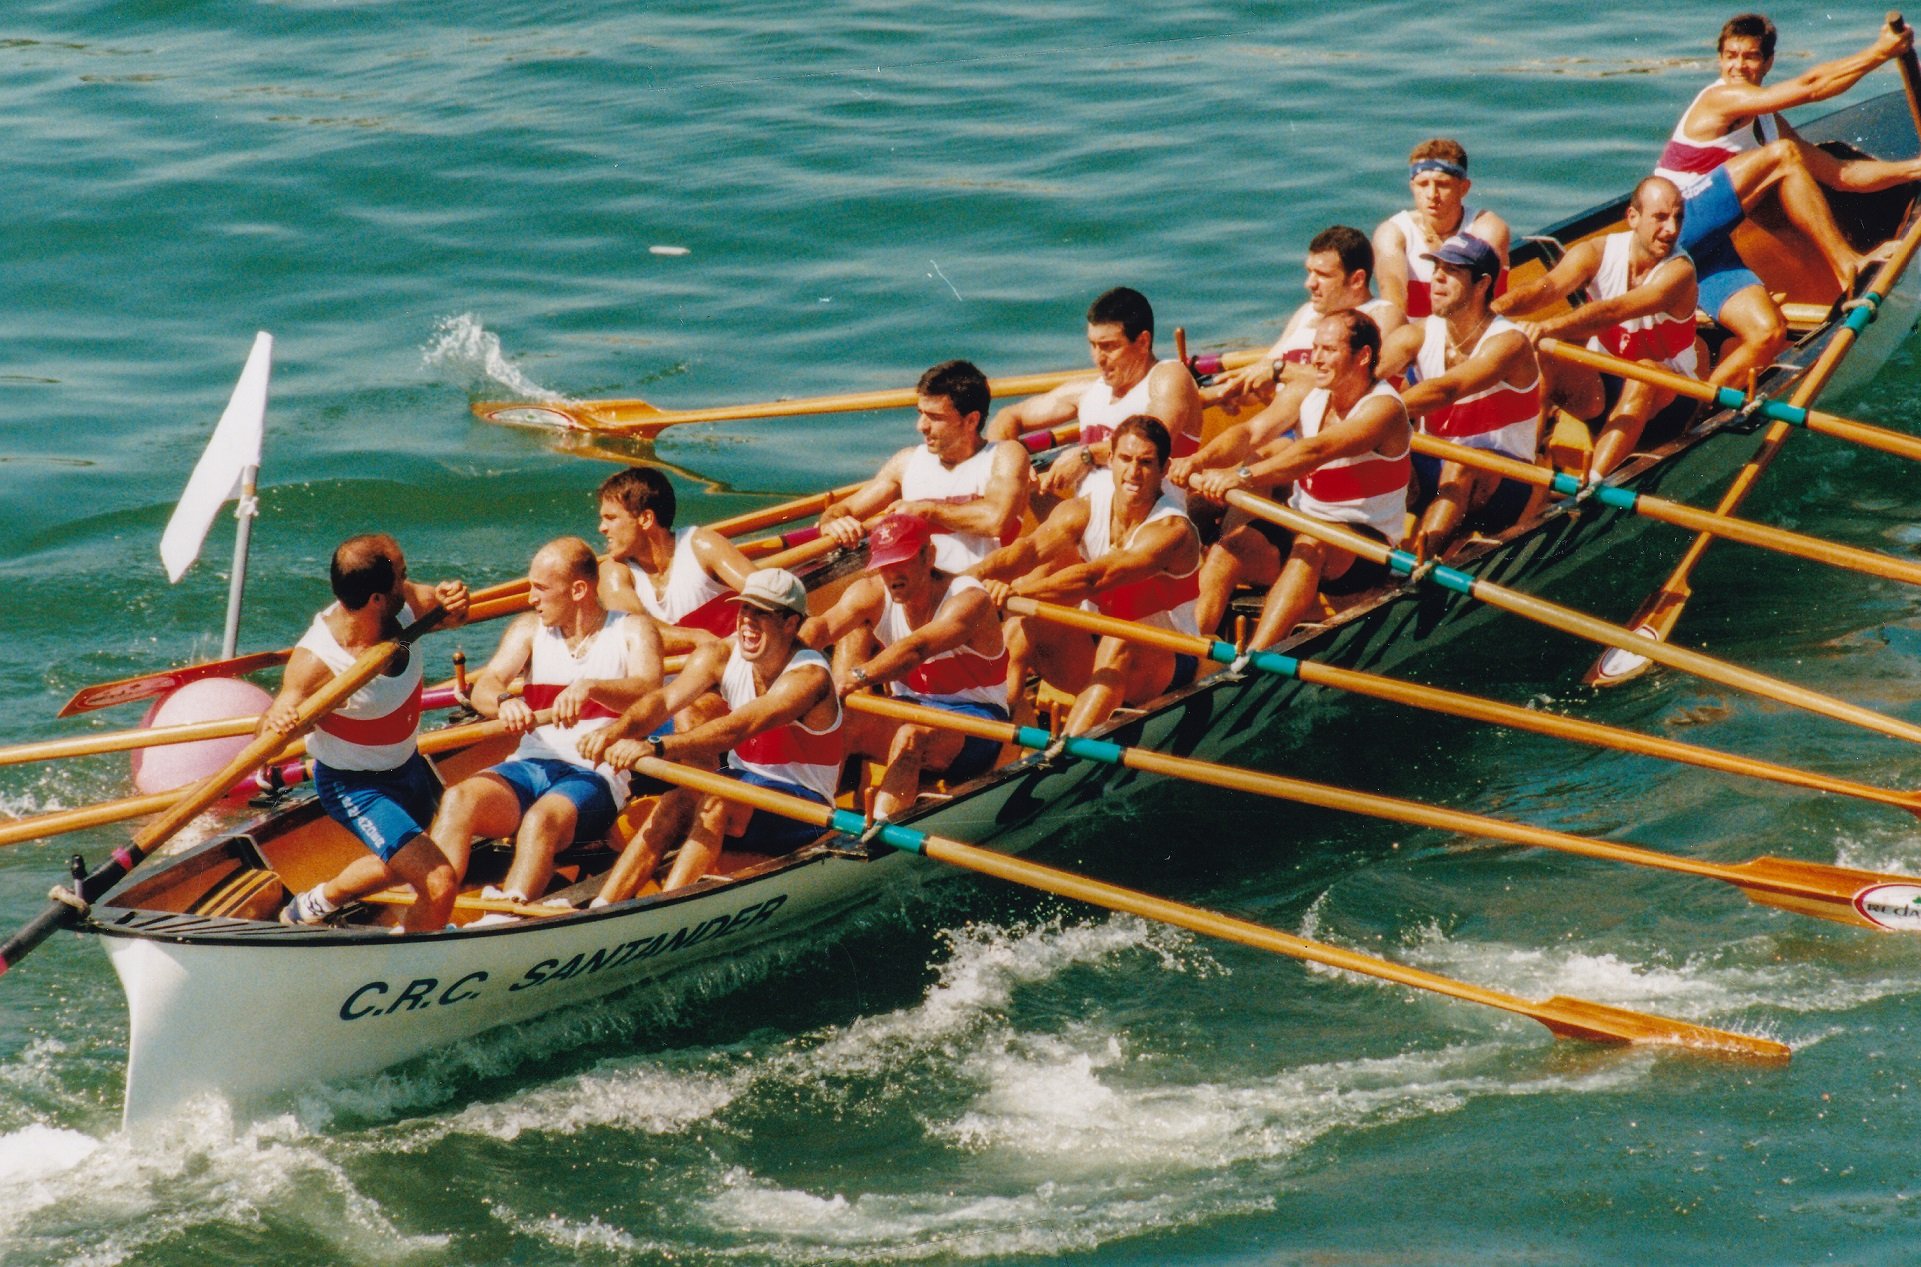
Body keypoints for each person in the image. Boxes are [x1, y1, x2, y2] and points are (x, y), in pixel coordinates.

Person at [1655, 13, 1921, 388]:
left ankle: (1700, 406)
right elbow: (1812, 86)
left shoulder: (1767, 121)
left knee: (1768, 331)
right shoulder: (1721, 98)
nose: (1737, 66)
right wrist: (1880, 53)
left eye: (1749, 57)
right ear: (1719, 59)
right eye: (1730, 55)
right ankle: (1848, 266)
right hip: (1669, 231)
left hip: (1704, 251)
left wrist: (1913, 170)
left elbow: (1838, 175)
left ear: (1768, 62)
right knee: (1782, 157)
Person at [428, 537, 663, 910]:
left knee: (540, 820)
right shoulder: (529, 630)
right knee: (458, 798)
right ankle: (431, 908)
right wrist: (504, 701)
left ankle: (508, 916)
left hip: (596, 773)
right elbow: (485, 687)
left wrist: (592, 688)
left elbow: (650, 690)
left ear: (578, 590)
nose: (530, 598)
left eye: (540, 588)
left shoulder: (633, 631)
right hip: (529, 766)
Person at [590, 569, 841, 903]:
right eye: (745, 610)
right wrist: (616, 731)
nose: (747, 622)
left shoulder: (809, 677)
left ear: (790, 624)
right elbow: (664, 700)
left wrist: (655, 746)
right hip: (745, 791)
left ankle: (670, 909)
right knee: (677, 799)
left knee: (716, 800)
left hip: (805, 809)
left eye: (761, 613)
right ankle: (603, 905)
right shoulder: (721, 655)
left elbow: (738, 728)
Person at [261, 534, 469, 933]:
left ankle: (318, 901)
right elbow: (268, 740)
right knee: (439, 881)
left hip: (407, 768)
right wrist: (280, 720)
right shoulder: (317, 662)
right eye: (402, 575)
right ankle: (413, 974)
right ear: (376, 598)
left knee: (397, 863)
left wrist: (457, 600)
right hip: (354, 786)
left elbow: (452, 616)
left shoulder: (403, 601)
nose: (409, 582)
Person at [1187, 311, 1411, 647]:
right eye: (1315, 348)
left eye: (1329, 350)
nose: (1316, 359)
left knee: (1311, 545)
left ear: (1363, 356)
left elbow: (1317, 451)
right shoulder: (1308, 390)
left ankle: (1252, 661)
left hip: (1365, 547)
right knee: (1230, 547)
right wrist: (1198, 459)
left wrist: (1241, 476)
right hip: (1303, 525)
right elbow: (1251, 432)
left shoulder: (1385, 410)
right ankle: (1192, 649)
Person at [975, 415, 1203, 736]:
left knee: (1120, 636)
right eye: (1125, 459)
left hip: (1170, 661)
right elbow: (1027, 551)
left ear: (1164, 469)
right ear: (1110, 460)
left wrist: (1014, 594)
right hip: (1098, 647)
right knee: (1019, 628)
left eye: (1146, 463)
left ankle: (1064, 754)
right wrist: (967, 579)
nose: (1133, 472)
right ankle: (1005, 739)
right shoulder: (1082, 510)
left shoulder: (1171, 530)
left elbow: (1093, 579)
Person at [800, 514, 1009, 821]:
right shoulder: (870, 592)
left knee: (911, 736)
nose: (892, 574)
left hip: (980, 724)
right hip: (909, 709)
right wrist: (779, 658)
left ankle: (879, 831)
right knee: (838, 719)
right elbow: (822, 627)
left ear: (929, 556)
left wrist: (856, 677)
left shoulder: (968, 600)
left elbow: (916, 649)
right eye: (884, 564)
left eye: (902, 562)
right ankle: (814, 823)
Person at [1494, 176, 1701, 476]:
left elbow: (1613, 311)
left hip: (1671, 403)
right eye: (1660, 217)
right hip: (1606, 393)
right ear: (1632, 217)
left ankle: (1589, 486)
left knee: (1643, 372)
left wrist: (1547, 328)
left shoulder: (1679, 272)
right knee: (1542, 356)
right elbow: (1546, 288)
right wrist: (1491, 311)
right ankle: (1524, 466)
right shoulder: (1596, 252)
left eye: (1678, 218)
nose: (1671, 229)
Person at [1379, 233, 1544, 558]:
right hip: (1438, 473)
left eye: (1452, 270)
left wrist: (1373, 413)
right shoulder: (1417, 334)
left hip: (1507, 485)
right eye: (1436, 267)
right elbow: (1361, 381)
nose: (1437, 277)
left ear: (1482, 285)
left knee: (1458, 465)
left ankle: (1410, 569)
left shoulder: (1508, 344)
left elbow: (1447, 389)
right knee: (1374, 446)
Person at [984, 288, 1204, 499]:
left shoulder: (1168, 377)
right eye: (1093, 345)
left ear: (1143, 342)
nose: (1098, 358)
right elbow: (1008, 417)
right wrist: (1009, 465)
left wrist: (1085, 456)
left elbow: (1153, 440)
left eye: (1108, 346)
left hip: (1151, 519)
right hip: (1087, 520)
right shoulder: (1088, 391)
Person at [818, 359, 1031, 574]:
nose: (921, 426)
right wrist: (832, 521)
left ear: (971, 420)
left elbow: (996, 520)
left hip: (981, 590)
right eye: (921, 413)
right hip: (918, 590)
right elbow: (843, 510)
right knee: (859, 597)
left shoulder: (1004, 456)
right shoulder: (906, 462)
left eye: (935, 417)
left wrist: (926, 511)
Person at [1199, 225, 1407, 412]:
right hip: (1285, 427)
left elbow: (1357, 382)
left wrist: (1280, 370)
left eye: (1323, 275)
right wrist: (1226, 393)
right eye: (1309, 272)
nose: (1309, 283)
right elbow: (1263, 373)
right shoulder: (1306, 314)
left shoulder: (1382, 316)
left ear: (1357, 280)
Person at [597, 467, 757, 651]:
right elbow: (637, 631)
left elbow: (774, 595)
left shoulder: (701, 545)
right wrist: (698, 638)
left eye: (611, 518)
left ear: (646, 519)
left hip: (729, 664)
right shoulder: (613, 572)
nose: (602, 528)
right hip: (672, 673)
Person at [1373, 139, 1511, 319]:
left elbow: (1478, 307)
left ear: (1464, 188)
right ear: (1412, 187)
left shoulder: (1487, 228)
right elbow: (1393, 299)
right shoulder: (1391, 233)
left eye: (1443, 184)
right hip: (1411, 339)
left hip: (1478, 332)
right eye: (1423, 184)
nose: (1432, 195)